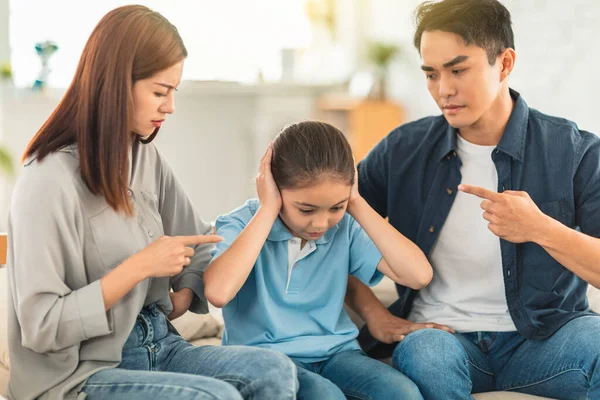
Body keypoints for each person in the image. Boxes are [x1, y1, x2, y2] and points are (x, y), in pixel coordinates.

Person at [6, 5, 298, 400]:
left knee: (273, 371)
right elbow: (41, 326)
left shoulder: (142, 158)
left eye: (173, 92)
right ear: (114, 84)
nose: (170, 106)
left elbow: (198, 241)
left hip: (158, 342)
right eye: (160, 92)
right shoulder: (46, 180)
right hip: (79, 373)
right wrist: (138, 269)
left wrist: (187, 292)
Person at [346, 0, 600, 398]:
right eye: (431, 74)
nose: (443, 89)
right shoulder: (402, 150)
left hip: (546, 340)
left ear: (505, 63)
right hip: (443, 338)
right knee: (424, 354)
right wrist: (373, 313)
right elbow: (322, 232)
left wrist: (539, 228)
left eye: (458, 70)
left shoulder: (573, 151)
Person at [204, 121, 431, 399]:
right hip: (266, 361)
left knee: (403, 393)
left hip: (337, 354)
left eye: (336, 207)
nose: (321, 223)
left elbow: (418, 275)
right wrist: (267, 209)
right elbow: (218, 292)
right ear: (273, 186)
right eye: (306, 209)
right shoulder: (239, 223)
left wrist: (357, 204)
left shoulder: (345, 227)